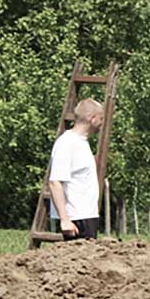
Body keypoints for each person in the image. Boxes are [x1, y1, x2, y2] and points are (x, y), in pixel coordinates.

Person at [48, 98, 105, 241]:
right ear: (92, 118)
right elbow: (55, 182)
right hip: (76, 219)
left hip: (87, 215)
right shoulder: (67, 143)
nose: (102, 123)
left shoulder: (82, 142)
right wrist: (65, 220)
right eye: (101, 118)